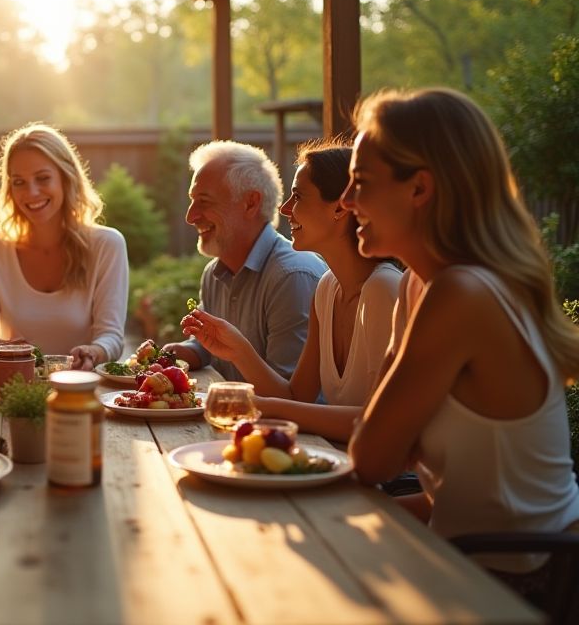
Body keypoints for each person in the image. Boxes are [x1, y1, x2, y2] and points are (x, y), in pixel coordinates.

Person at [344, 88, 579, 581]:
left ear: (419, 189)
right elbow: (389, 453)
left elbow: (372, 457)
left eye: (360, 183)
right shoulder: (422, 284)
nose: (347, 203)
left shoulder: (464, 294)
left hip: (528, 581)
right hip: (477, 553)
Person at [180, 142, 400, 441]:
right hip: (336, 459)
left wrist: (257, 406)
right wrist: (239, 350)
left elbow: (382, 425)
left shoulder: (383, 289)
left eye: (297, 196)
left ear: (341, 206)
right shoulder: (327, 289)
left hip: (388, 482)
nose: (283, 210)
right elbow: (296, 395)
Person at [0, 122, 128, 371]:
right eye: (19, 182)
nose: (31, 192)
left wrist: (93, 352)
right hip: (14, 389)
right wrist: (3, 351)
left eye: (42, 178)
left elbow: (111, 338)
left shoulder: (107, 245)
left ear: (66, 177)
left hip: (79, 389)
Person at [163, 141, 327, 381]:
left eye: (204, 201)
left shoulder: (292, 277)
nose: (190, 216)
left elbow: (289, 395)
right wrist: (176, 353)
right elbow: (208, 348)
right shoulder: (214, 272)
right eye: (191, 200)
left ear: (250, 203)